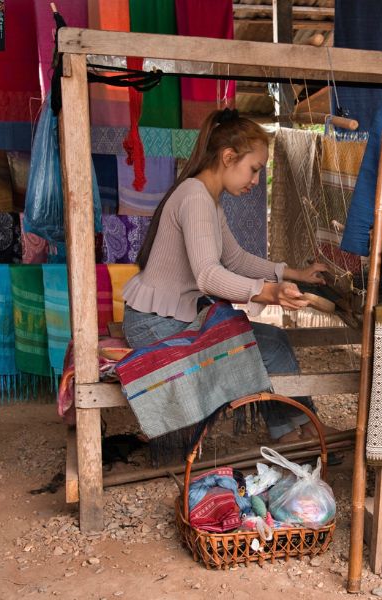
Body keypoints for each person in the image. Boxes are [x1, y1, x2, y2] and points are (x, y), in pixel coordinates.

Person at [122, 108, 331, 444]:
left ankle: (302, 428)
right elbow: (208, 275)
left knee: (274, 340)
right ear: (228, 156)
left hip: (168, 318)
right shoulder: (194, 198)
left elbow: (234, 259)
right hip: (154, 324)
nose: (255, 180)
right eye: (254, 169)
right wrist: (268, 292)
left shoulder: (207, 200)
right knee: (261, 346)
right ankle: (295, 431)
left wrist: (294, 273)